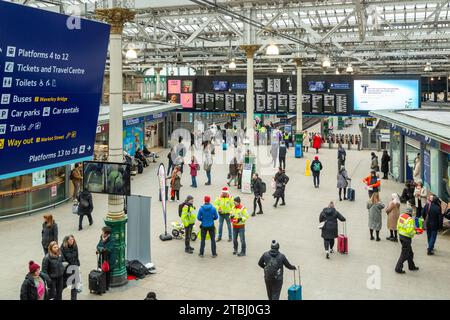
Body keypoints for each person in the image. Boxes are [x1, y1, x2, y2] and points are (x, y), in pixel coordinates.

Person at [395, 207, 419, 274]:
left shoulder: (401, 216)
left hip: (401, 236)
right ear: (411, 213)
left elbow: (398, 226)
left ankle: (411, 266)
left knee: (410, 253)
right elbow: (409, 231)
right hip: (406, 238)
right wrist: (415, 232)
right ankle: (398, 268)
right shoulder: (410, 219)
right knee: (404, 254)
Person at [61, 235, 80, 300]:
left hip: (75, 268)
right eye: (70, 240)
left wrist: (78, 266)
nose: (72, 241)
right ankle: (57, 296)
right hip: (67, 270)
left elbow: (77, 256)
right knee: (64, 285)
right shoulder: (63, 248)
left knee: (74, 286)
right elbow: (63, 260)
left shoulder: (75, 246)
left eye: (73, 239)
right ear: (67, 241)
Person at [96, 226, 115, 291]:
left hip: (109, 259)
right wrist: (102, 243)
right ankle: (103, 286)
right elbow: (98, 246)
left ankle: (106, 287)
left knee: (107, 273)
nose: (102, 233)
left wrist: (102, 248)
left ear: (107, 233)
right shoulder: (102, 237)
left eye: (103, 232)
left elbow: (109, 250)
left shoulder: (112, 239)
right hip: (102, 258)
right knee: (103, 272)